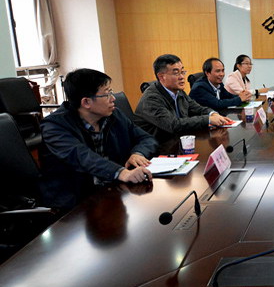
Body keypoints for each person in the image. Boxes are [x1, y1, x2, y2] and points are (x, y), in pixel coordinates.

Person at [40, 68, 158, 209]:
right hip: (75, 203)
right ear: (86, 102)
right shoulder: (54, 126)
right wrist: (121, 172)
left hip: (114, 191)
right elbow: (83, 157)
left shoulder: (114, 115)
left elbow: (146, 138)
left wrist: (138, 153)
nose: (113, 98)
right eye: (107, 94)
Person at [135, 53, 233, 141]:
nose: (182, 77)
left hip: (178, 140)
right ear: (161, 76)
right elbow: (173, 125)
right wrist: (208, 119)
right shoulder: (151, 99)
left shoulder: (178, 91)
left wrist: (213, 114)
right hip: (158, 147)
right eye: (176, 73)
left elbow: (197, 108)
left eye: (182, 71)